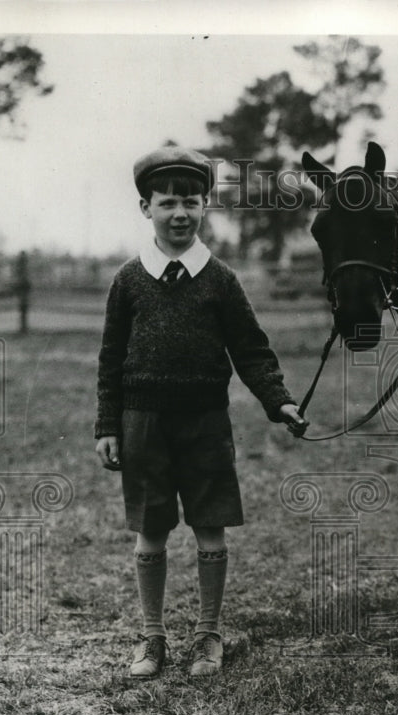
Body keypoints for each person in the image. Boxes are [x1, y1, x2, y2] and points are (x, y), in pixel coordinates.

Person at [94, 146, 306, 678]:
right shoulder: (128, 279)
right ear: (147, 208)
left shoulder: (220, 279)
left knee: (210, 527)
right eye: (167, 203)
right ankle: (152, 636)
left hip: (206, 422)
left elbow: (251, 349)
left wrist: (277, 398)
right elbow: (110, 358)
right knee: (151, 529)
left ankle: (208, 635)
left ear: (205, 204)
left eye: (191, 201)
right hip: (143, 424)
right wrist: (107, 424)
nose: (180, 213)